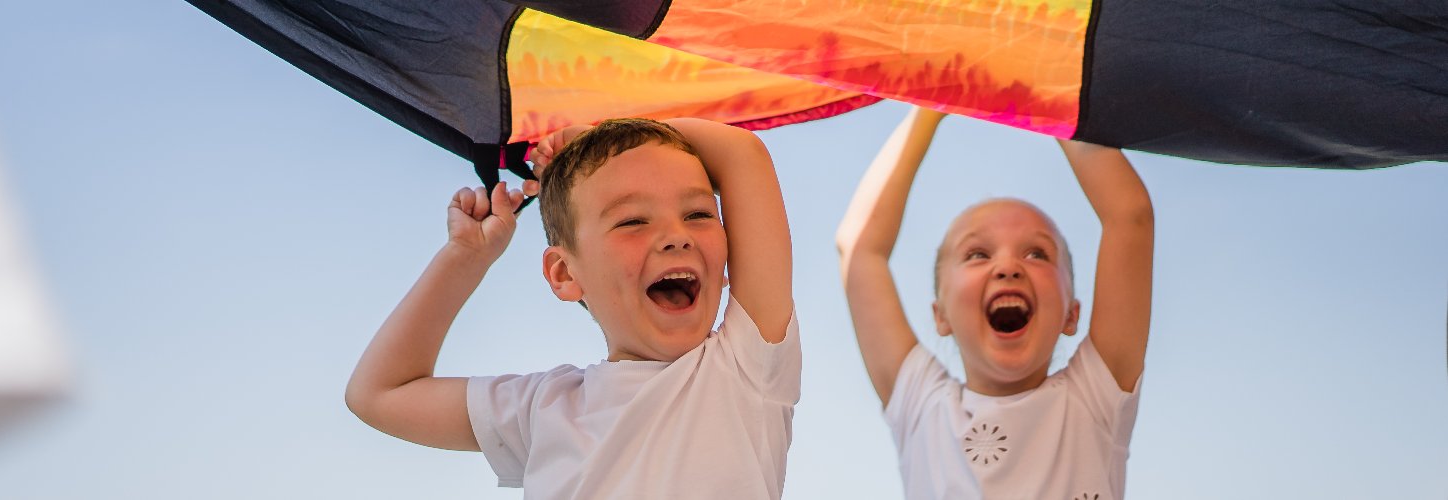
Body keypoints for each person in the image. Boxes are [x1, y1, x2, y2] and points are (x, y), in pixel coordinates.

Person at [345, 117, 799, 499]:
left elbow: (742, 154)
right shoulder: (543, 407)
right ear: (564, 274)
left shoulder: (746, 367)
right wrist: (465, 258)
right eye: (632, 221)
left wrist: (601, 131)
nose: (676, 236)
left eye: (698, 214)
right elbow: (379, 395)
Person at [836, 107, 1154, 499]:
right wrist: (926, 110)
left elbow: (1129, 217)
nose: (1008, 266)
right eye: (977, 255)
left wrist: (1053, 102)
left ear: (1071, 314)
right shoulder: (922, 405)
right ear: (941, 316)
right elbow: (859, 250)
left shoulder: (1096, 396)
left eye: (1037, 254)